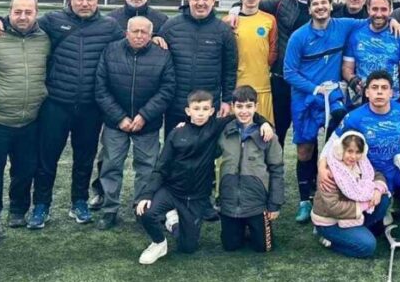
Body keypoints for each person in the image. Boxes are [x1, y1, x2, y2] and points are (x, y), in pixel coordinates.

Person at [0, 0, 124, 229]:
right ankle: (41, 205)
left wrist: (155, 38)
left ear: (98, 1)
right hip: (56, 103)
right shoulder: (52, 20)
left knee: (85, 157)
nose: (84, 3)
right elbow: (23, 21)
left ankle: (79, 201)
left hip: (91, 107)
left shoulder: (109, 27)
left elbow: (131, 42)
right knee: (46, 158)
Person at [134, 90, 274, 264]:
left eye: (205, 108)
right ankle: (158, 243)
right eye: (196, 108)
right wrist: (146, 195)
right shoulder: (177, 133)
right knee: (144, 212)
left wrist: (265, 122)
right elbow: (161, 167)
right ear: (188, 111)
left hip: (196, 198)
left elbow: (243, 114)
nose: (200, 113)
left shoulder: (215, 127)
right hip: (172, 190)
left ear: (212, 111)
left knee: (188, 248)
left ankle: (173, 223)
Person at [323, 70, 400, 256]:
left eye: (384, 88)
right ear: (366, 92)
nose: (379, 92)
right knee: (376, 220)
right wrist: (322, 168)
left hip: (399, 162)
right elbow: (331, 143)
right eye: (374, 88)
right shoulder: (355, 117)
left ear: (391, 92)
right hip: (373, 172)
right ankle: (355, 229)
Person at [283, 0, 369, 222]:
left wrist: (398, 23)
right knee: (304, 149)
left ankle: (333, 192)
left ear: (331, 6)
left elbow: (374, 20)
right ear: (309, 9)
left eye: (324, 3)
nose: (320, 7)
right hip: (306, 98)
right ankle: (304, 200)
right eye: (315, 4)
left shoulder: (343, 25)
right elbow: (288, 72)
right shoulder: (299, 37)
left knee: (337, 144)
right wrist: (314, 88)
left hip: (333, 98)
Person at [0, 0, 49, 240]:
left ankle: (18, 210)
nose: (23, 17)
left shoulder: (45, 38)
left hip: (30, 118)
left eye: (28, 12)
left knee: (25, 169)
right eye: (18, 12)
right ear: (10, 12)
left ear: (36, 13)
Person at [95, 16, 176, 230]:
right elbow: (101, 88)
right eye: (135, 31)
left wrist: (144, 116)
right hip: (115, 124)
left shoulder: (163, 55)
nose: (139, 36)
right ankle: (109, 210)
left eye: (144, 32)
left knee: (147, 168)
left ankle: (142, 209)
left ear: (151, 35)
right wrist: (119, 117)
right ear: (126, 32)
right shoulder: (110, 51)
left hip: (147, 125)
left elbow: (167, 90)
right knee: (111, 166)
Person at [240, 0, 318, 146]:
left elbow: (355, 9)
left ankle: (309, 174)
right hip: (282, 80)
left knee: (308, 132)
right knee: (277, 129)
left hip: (309, 81)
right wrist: (235, 11)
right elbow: (249, 4)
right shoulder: (281, 4)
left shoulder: (324, 6)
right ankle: (273, 170)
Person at [156, 0, 238, 131]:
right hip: (176, 105)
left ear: (213, 1)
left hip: (207, 107)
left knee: (204, 152)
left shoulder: (224, 31)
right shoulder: (171, 26)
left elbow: (230, 69)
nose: (201, 3)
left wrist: (227, 100)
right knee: (174, 149)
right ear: (189, 0)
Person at [217, 85, 285, 253]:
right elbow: (201, 126)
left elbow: (277, 171)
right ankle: (239, 227)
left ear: (256, 106)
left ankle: (253, 225)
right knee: (230, 246)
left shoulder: (267, 135)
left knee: (263, 247)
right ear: (233, 107)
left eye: (249, 106)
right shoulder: (223, 131)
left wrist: (274, 205)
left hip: (257, 204)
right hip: (229, 203)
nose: (244, 111)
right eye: (239, 106)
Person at [311, 131, 391, 258]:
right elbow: (333, 207)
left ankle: (358, 231)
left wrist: (377, 190)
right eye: (349, 151)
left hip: (351, 215)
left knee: (384, 199)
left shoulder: (362, 164)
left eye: (358, 152)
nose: (353, 156)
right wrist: (364, 205)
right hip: (331, 221)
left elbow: (377, 175)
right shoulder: (330, 172)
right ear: (341, 150)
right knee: (368, 246)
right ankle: (329, 240)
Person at [343, 0, 400, 106]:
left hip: (391, 104)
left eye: (384, 9)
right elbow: (347, 68)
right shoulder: (356, 34)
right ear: (368, 9)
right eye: (375, 9)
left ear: (391, 10)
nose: (379, 14)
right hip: (361, 104)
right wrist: (352, 79)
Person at [233, 0, 278, 122]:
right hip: (237, 85)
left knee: (263, 133)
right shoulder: (230, 21)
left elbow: (273, 50)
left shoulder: (269, 20)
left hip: (262, 87)